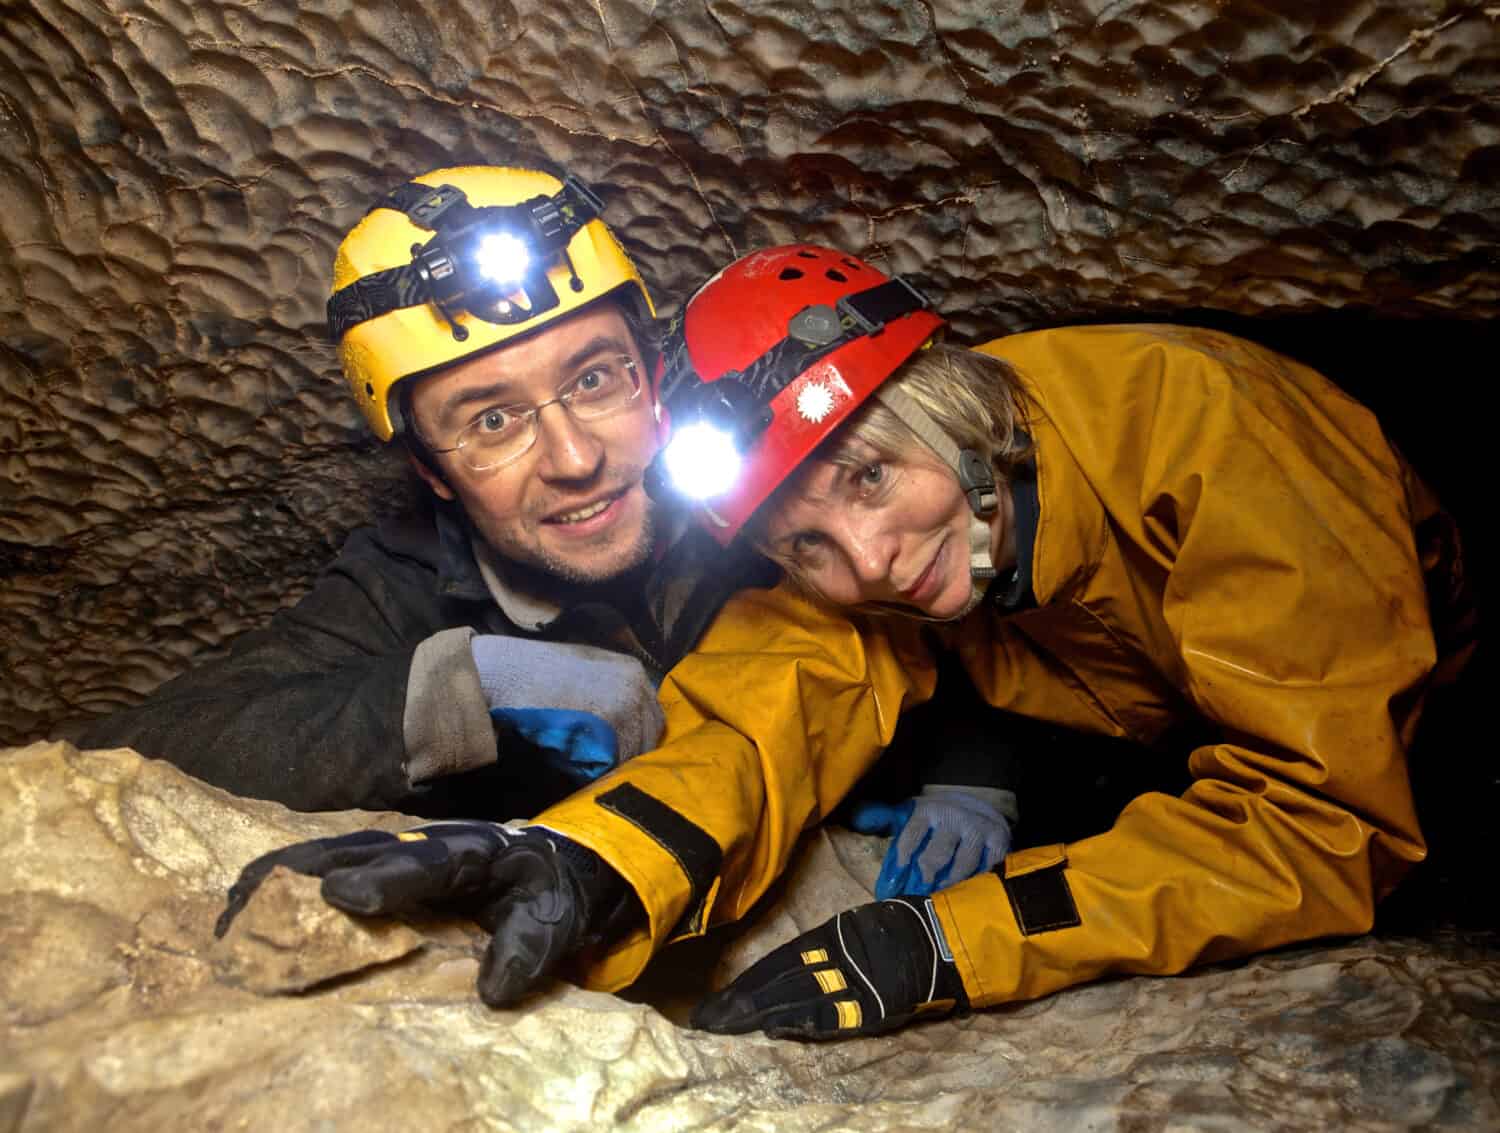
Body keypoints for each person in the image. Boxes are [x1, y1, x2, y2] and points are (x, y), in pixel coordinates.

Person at [213, 241, 1472, 1036]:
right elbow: (769, 703)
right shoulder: (902, 536)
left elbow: (1329, 819)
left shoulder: (1207, 428)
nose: (864, 567)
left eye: (866, 479)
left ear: (942, 397)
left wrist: (950, 942)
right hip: (1166, 728)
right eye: (799, 542)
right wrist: (583, 862)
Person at [78, 171, 1019, 900]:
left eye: (596, 380)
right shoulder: (404, 584)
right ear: (431, 472)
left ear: (655, 376)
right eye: (491, 421)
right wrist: (465, 690)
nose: (575, 457)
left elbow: (981, 586)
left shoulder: (749, 495)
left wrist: (976, 770)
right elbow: (132, 752)